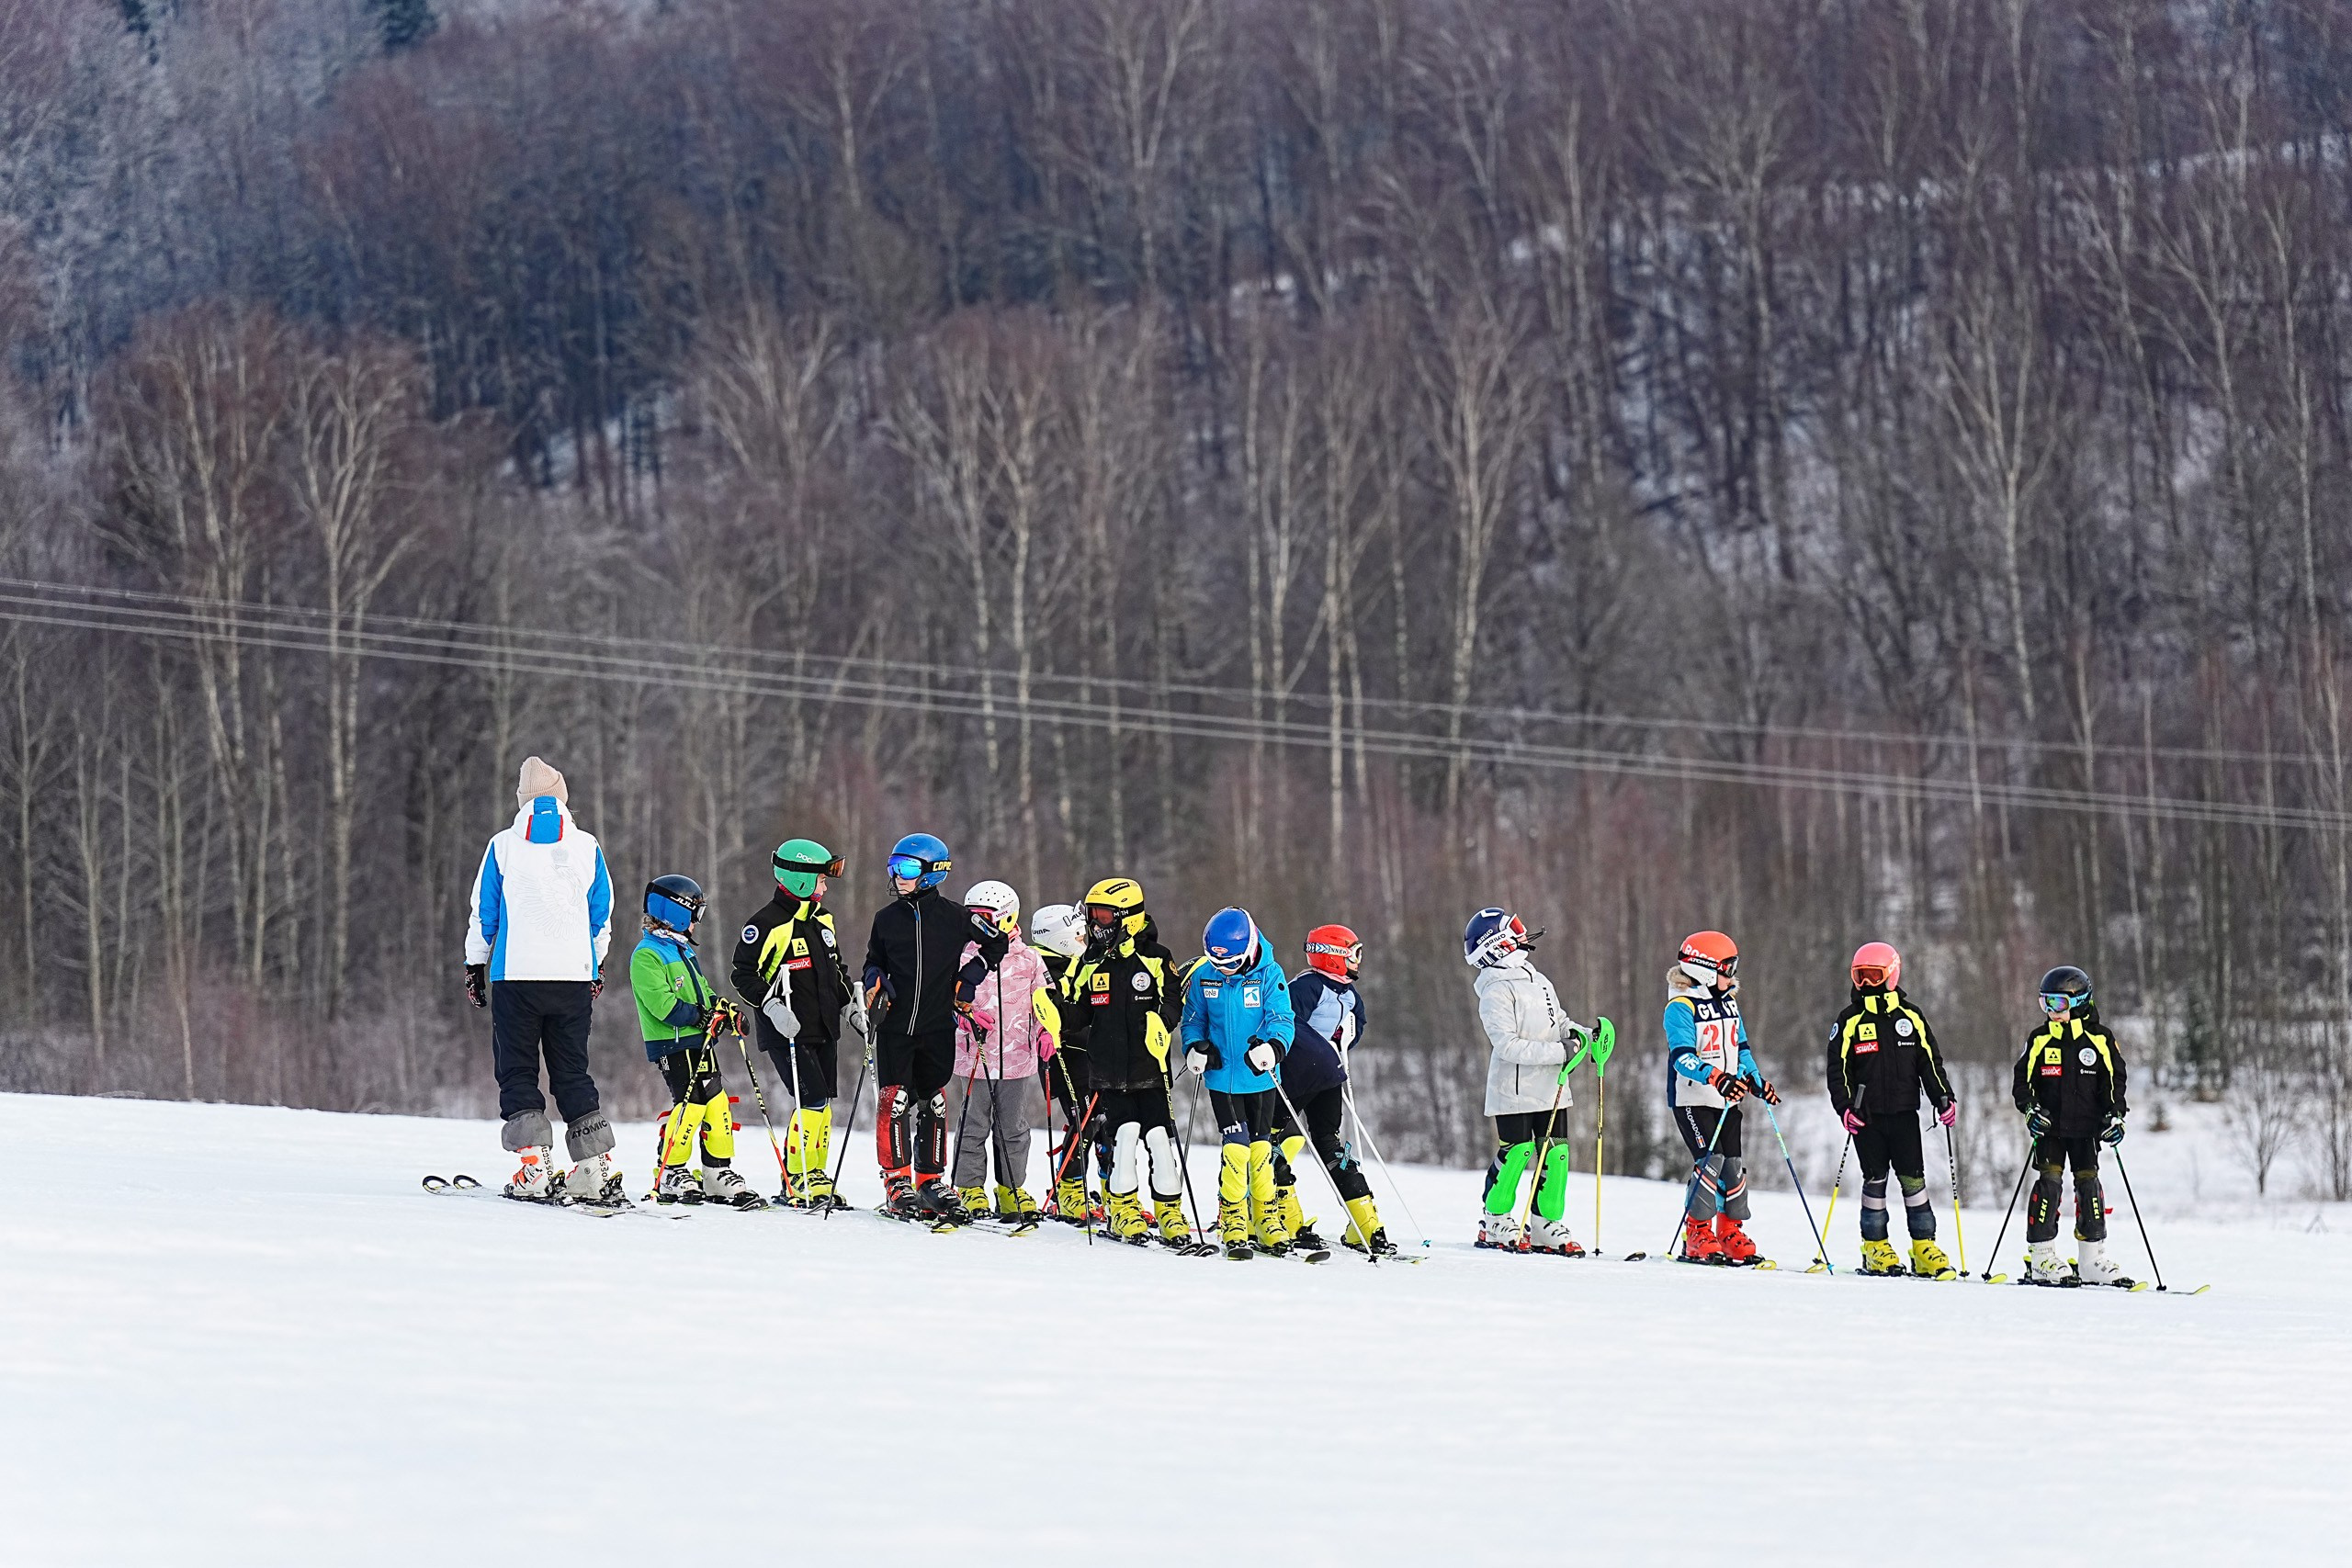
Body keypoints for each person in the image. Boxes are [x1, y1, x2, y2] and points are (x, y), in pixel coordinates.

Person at [463, 756, 619, 1204]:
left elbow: (484, 914)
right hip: (572, 978)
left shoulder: (503, 847)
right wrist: (595, 964)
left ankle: (534, 1166)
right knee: (572, 1069)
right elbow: (601, 916)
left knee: (518, 1069)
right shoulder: (588, 847)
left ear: (522, 803)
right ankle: (592, 1167)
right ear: (563, 799)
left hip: (516, 977)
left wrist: (475, 967)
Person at [862, 833, 1007, 1222]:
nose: (898, 876)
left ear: (932, 873)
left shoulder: (957, 917)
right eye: (894, 867)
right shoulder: (886, 919)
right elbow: (872, 962)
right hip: (895, 1028)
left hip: (936, 1027)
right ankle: (897, 1181)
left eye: (907, 868)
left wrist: (970, 977)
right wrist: (876, 980)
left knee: (934, 1101)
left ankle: (929, 1180)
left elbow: (998, 944)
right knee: (895, 1100)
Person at [730, 838, 862, 1209]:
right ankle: (798, 1178)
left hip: (823, 1028)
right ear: (800, 878)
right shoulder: (766, 923)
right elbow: (742, 974)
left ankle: (816, 1173)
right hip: (786, 1030)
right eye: (821, 879)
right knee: (811, 1100)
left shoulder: (822, 920)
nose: (825, 886)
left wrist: (850, 1007)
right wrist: (770, 1006)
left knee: (823, 1105)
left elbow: (836, 972)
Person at [1061, 877, 1188, 1247]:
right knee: (1125, 1136)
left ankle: (1169, 1211)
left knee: (1160, 1140)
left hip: (1151, 1070)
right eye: (1092, 915)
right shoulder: (1089, 963)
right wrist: (1057, 1014)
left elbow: (1173, 1001)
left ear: (1128, 917)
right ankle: (1124, 1209)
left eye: (1103, 915)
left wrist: (1161, 1021)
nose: (1096, 923)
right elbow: (1077, 1012)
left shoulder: (1156, 956)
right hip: (1108, 1072)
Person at [1824, 941, 1957, 1277]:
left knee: (1914, 1180)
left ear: (1892, 975)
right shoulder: (1850, 1019)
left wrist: (1943, 1097)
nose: (1866, 983)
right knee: (1875, 1180)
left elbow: (1930, 1061)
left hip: (1904, 1114)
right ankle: (1875, 1247)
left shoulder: (1911, 1016)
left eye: (1873, 975)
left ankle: (1924, 1245)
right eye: (1860, 977)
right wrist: (1845, 1108)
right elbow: (1837, 1071)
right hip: (1866, 1118)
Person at [1465, 908, 1591, 1255]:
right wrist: (1561, 1051)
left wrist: (1586, 1038)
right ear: (1496, 944)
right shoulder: (1494, 991)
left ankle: (1545, 1223)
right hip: (1515, 1090)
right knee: (1517, 1153)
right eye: (1514, 931)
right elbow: (1507, 1046)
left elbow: (1560, 1023)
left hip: (1553, 1086)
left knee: (1557, 1155)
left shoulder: (1536, 978)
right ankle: (1495, 1219)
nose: (1523, 935)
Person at [631, 875, 758, 1208]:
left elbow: (701, 991)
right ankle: (672, 1170)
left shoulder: (681, 949)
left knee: (716, 1103)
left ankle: (718, 1172)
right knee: (691, 1103)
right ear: (676, 913)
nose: (698, 923)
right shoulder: (647, 955)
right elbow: (662, 1004)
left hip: (699, 1040)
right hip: (673, 1043)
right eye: (696, 914)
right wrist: (700, 1017)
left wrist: (723, 1011)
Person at [1182, 907, 1297, 1258]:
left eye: (1230, 964)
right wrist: (1195, 1047)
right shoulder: (1206, 976)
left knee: (1261, 1151)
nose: (1223, 970)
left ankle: (1265, 1217)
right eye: (1218, 963)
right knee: (1236, 1149)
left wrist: (1274, 1047)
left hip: (1260, 1076)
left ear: (1247, 951)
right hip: (1222, 1079)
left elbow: (1283, 1019)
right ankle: (1232, 1216)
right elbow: (1193, 1019)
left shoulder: (1269, 975)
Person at [1665, 929, 1781, 1265]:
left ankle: (1729, 1230)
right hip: (1692, 1100)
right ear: (1703, 969)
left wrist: (1756, 1082)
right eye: (1726, 968)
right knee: (1710, 1163)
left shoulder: (1729, 1004)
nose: (1732, 975)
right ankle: (1697, 1232)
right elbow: (1682, 1057)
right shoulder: (1680, 1007)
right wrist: (1716, 1078)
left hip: (1727, 1098)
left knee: (1732, 1167)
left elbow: (1741, 1049)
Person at [2012, 964, 2130, 1285]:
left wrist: (2115, 1114)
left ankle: (2092, 1259)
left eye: (2058, 1004)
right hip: (2050, 1130)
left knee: (2089, 1186)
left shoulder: (2101, 1040)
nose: (2052, 1012)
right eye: (2045, 1004)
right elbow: (2021, 1084)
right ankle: (2042, 1257)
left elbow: (2115, 1082)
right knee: (2049, 1185)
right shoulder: (2039, 1040)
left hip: (2086, 1130)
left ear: (2078, 1002)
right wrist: (2030, 1111)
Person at [950, 881, 1058, 1223]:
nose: (979, 925)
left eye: (987, 918)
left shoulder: (1029, 960)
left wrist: (1047, 1032)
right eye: (974, 918)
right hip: (976, 1058)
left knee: (1013, 1128)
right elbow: (949, 999)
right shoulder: (964, 955)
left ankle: (1011, 1188)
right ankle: (968, 1187)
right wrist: (962, 1016)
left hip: (1016, 1059)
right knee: (973, 1125)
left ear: (1008, 919)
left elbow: (1045, 1002)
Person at [1285, 923, 1394, 1256]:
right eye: (1353, 953)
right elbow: (1287, 1022)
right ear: (1332, 956)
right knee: (1286, 1141)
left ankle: (1363, 1225)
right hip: (1297, 1077)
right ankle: (1284, 1217)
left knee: (1322, 1142)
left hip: (1324, 1078)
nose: (1358, 961)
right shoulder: (1306, 986)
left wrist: (1343, 1040)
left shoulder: (1350, 994)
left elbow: (1355, 1030)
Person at [1029, 903, 1102, 1223]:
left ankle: (1115, 1193)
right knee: (1088, 1120)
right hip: (1065, 1058)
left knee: (1104, 1121)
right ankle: (1069, 1192)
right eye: (1078, 934)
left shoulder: (1082, 965)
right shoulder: (1043, 971)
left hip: (1093, 1056)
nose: (1084, 939)